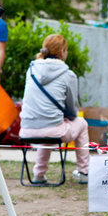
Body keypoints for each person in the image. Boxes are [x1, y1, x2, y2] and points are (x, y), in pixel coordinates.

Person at [19, 34, 89, 184]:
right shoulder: (68, 75)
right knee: (81, 123)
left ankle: (39, 174)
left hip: (26, 129)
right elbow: (72, 110)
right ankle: (84, 172)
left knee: (50, 124)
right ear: (62, 52)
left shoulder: (31, 71)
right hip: (53, 130)